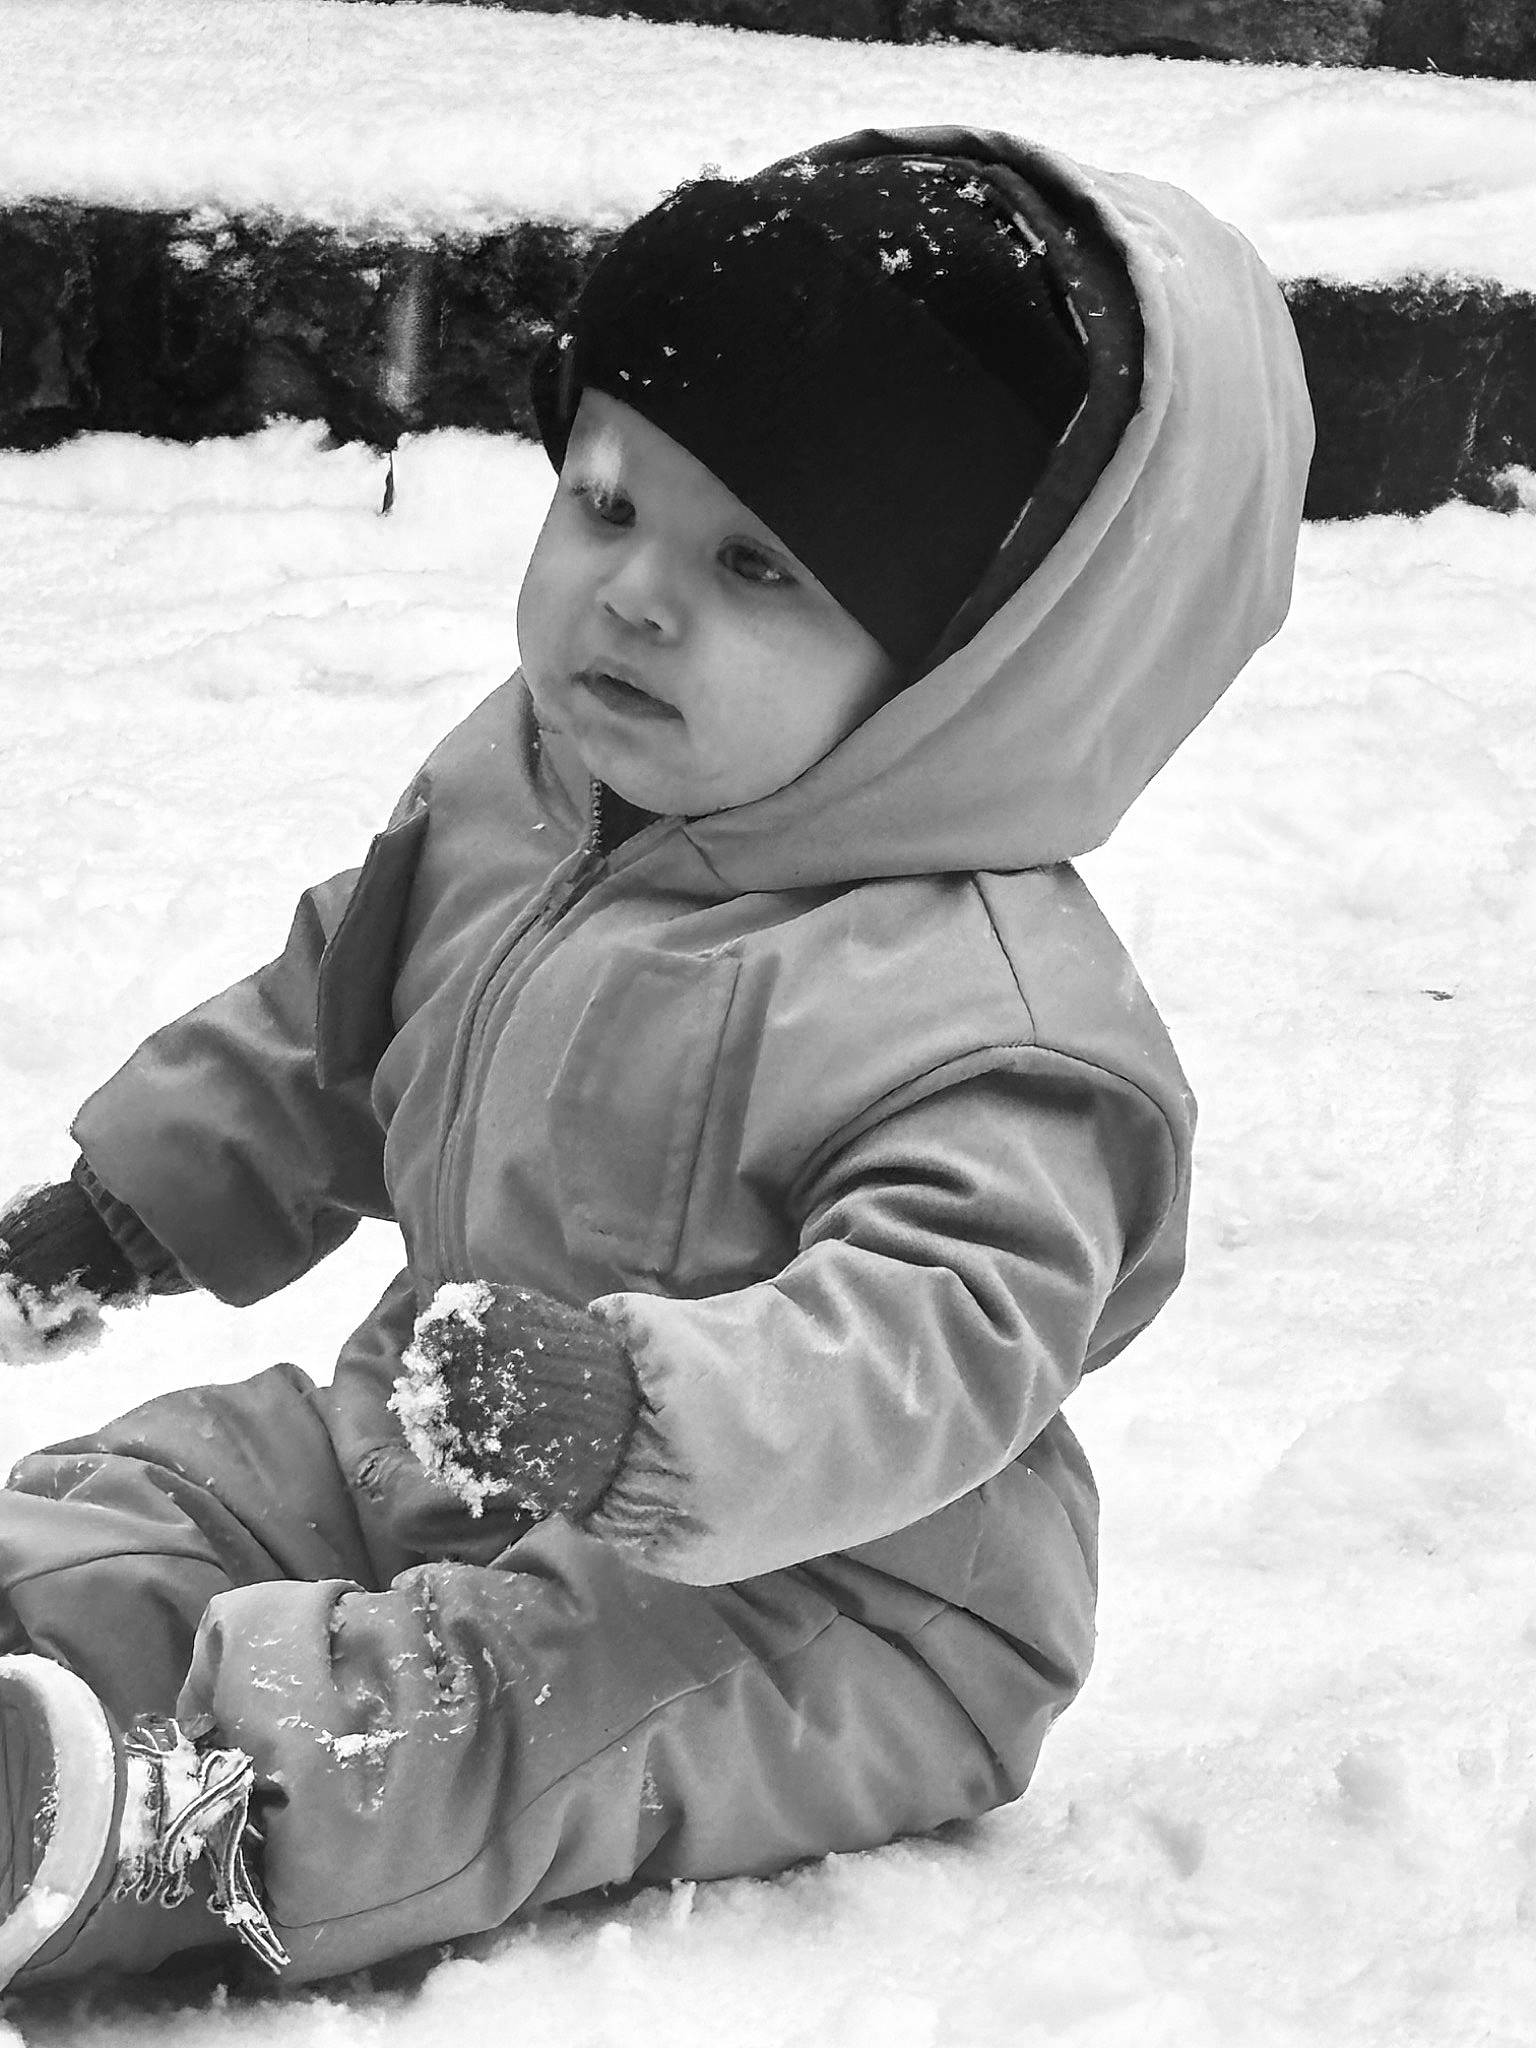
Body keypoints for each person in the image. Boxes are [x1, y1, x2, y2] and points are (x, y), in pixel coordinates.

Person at [0, 123, 1313, 1992]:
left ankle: (164, 1826)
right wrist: (125, 1205)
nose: (632, 596)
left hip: (837, 1600)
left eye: (757, 563)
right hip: (437, 1445)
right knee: (179, 1487)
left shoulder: (985, 1009)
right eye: (605, 503)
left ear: (966, 661)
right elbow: (335, 1013)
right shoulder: (525, 791)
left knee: (485, 1704)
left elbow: (946, 1337)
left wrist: (638, 1418)